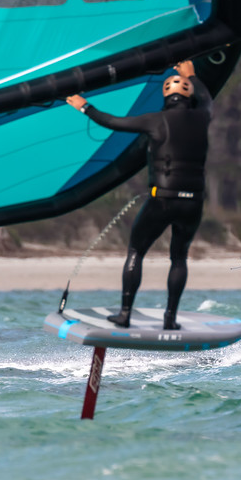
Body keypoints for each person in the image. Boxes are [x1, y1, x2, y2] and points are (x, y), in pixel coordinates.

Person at [66, 61, 212, 330]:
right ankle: (170, 320)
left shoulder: (155, 120)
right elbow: (206, 99)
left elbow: (113, 122)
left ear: (166, 96)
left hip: (163, 200)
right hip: (193, 201)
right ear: (188, 96)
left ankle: (124, 315)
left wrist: (84, 106)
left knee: (136, 251)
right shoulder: (202, 116)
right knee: (179, 257)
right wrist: (191, 75)